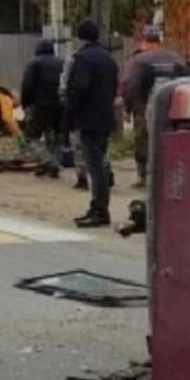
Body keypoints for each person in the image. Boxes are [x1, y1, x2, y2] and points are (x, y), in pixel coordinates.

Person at [63, 19, 119, 228]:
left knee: (95, 167)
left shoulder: (83, 59)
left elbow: (79, 89)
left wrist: (69, 116)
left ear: (81, 38)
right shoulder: (108, 58)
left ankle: (100, 210)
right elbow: (113, 87)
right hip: (106, 117)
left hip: (89, 119)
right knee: (100, 163)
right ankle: (97, 206)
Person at [123, 26, 190, 189]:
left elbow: (132, 86)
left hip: (144, 106)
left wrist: (129, 107)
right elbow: (188, 82)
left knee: (143, 141)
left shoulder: (140, 60)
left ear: (145, 41)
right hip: (172, 108)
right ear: (160, 41)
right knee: (170, 140)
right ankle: (170, 175)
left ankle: (144, 176)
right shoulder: (175, 59)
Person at [60, 48, 114, 191]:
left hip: (83, 113)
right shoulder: (108, 59)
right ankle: (106, 171)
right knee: (102, 147)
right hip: (105, 111)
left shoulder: (76, 59)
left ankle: (83, 178)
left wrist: (68, 109)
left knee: (80, 145)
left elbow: (68, 86)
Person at [20, 39, 64, 178]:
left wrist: (25, 104)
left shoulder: (34, 63)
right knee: (55, 137)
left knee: (30, 138)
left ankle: (49, 162)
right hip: (60, 106)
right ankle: (53, 163)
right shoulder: (62, 63)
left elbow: (27, 85)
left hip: (40, 106)